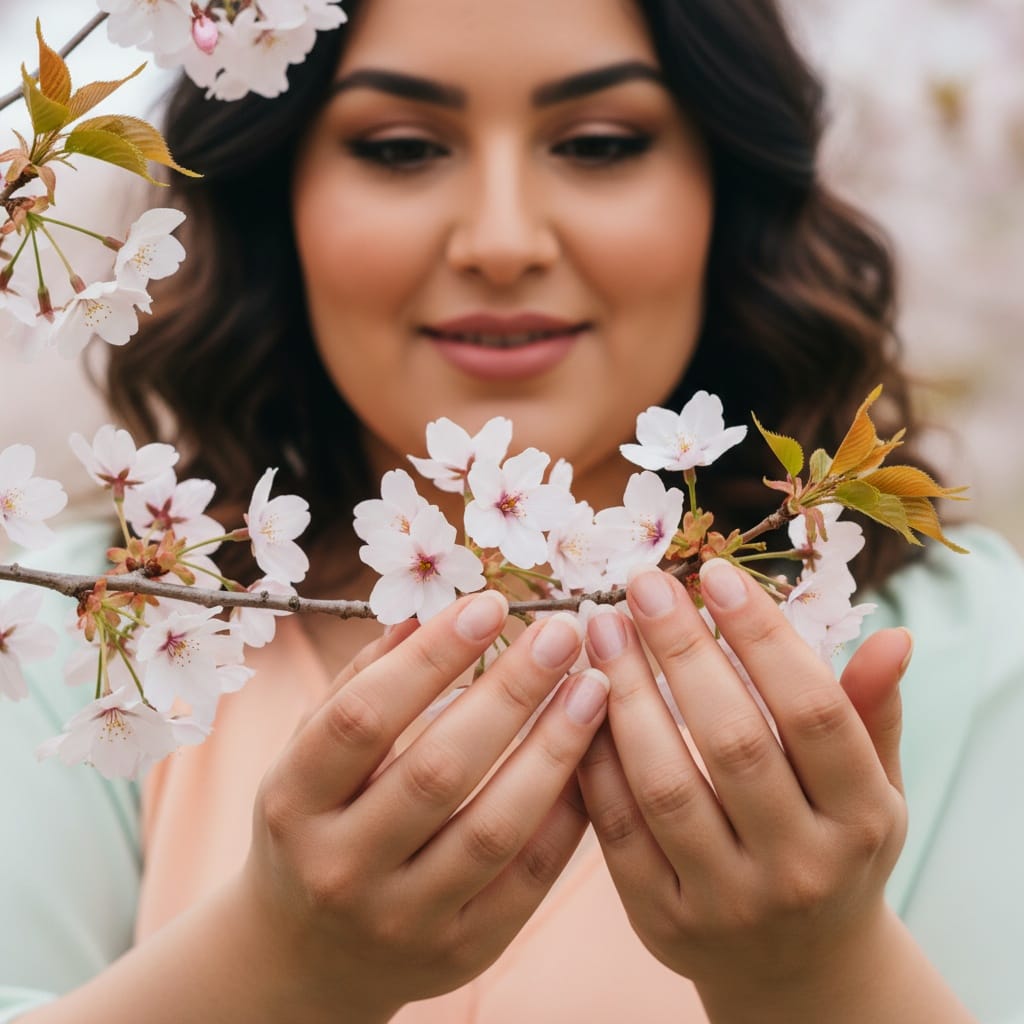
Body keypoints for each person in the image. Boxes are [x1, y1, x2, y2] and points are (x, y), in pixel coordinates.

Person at [2, 0, 1023, 1020]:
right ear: (280, 196)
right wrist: (280, 963)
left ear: (726, 185)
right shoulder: (91, 623)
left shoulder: (959, 638)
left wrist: (816, 973)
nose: (501, 241)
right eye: (400, 148)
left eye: (597, 144)